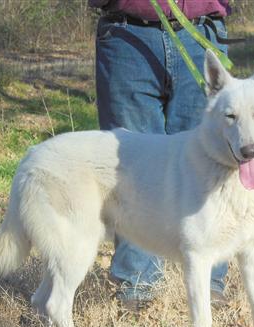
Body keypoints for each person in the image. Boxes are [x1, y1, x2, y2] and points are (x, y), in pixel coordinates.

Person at [89, 0, 231, 307]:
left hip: (201, 32)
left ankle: (209, 284)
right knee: (132, 166)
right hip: (127, 35)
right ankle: (138, 282)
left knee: (211, 163)